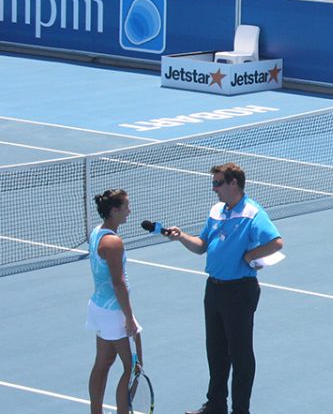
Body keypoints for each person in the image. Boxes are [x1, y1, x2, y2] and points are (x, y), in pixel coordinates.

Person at [164, 163, 284, 414]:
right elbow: (200, 245)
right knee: (216, 350)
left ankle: (241, 410)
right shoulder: (217, 210)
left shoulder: (252, 212)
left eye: (218, 183)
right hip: (214, 289)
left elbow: (276, 242)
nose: (214, 189)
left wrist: (250, 256)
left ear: (233, 184)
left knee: (240, 353)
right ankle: (216, 404)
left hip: (240, 291)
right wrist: (181, 236)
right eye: (214, 183)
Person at [86, 189, 142, 414]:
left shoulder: (96, 232)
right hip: (115, 311)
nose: (130, 210)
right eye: (126, 206)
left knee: (103, 362)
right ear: (114, 210)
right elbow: (119, 283)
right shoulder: (113, 243)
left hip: (98, 308)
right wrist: (129, 318)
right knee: (133, 367)